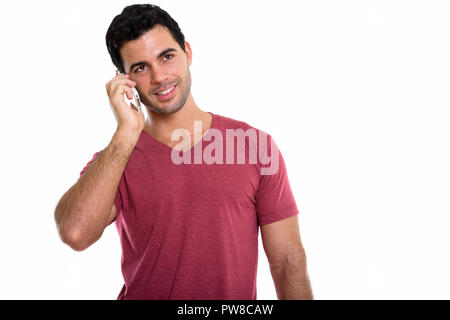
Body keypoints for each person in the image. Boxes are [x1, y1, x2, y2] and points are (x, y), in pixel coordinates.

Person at [54, 4, 313, 300]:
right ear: (124, 80)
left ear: (187, 52)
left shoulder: (253, 146)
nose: (159, 76)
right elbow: (75, 233)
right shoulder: (117, 157)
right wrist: (125, 133)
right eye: (140, 67)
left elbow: (286, 262)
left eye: (167, 57)